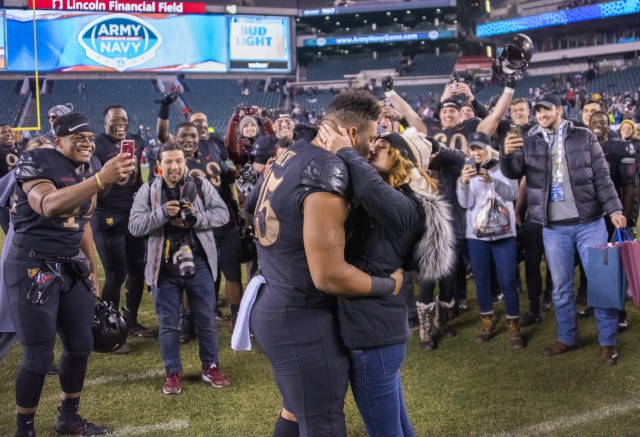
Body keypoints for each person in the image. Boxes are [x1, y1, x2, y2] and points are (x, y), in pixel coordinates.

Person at [249, 90, 403, 436]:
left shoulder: (295, 151)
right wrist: (387, 284)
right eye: (370, 138)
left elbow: (250, 209)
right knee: (324, 424)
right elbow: (329, 276)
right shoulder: (326, 169)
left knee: (295, 411)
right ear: (350, 135)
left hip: (274, 297)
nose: (371, 146)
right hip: (300, 317)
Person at [5, 112, 134, 436]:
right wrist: (101, 180)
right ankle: (25, 428)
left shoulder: (87, 169)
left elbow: (82, 222)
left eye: (90, 139)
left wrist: (91, 268)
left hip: (69, 264)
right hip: (32, 265)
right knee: (38, 354)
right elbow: (48, 204)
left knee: (80, 345)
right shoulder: (36, 159)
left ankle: (68, 417)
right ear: (58, 140)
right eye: (78, 138)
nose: (87, 143)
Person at [319, 127, 453, 436]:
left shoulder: (407, 206)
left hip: (373, 336)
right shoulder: (392, 201)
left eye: (386, 144)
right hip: (379, 333)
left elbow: (367, 187)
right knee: (398, 428)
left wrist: (346, 150)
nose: (376, 143)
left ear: (402, 159)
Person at [501, 93, 627, 365]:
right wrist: (506, 152)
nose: (542, 115)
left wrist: (615, 209)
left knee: (601, 283)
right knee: (560, 287)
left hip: (590, 223)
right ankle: (567, 337)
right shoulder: (530, 140)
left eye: (547, 109)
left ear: (559, 109)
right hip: (554, 228)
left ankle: (607, 341)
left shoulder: (584, 136)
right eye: (538, 111)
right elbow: (513, 172)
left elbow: (603, 177)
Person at [128, 142, 231, 394]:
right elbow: (134, 226)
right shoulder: (147, 191)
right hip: (163, 267)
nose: (174, 167)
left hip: (199, 262)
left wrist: (197, 219)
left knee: (206, 318)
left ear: (184, 162)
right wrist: (162, 213)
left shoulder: (199, 185)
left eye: (179, 161)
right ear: (158, 167)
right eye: (169, 162)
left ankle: (211, 365)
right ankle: (172, 372)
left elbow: (222, 214)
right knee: (168, 322)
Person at [91, 105, 152, 350]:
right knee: (116, 273)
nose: (120, 124)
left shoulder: (134, 140)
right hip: (106, 214)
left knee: (137, 270)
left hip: (132, 214)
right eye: (115, 120)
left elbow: (137, 178)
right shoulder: (97, 143)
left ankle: (130, 320)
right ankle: (109, 330)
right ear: (104, 122)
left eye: (124, 119)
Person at [457, 131, 523, 348]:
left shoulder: (503, 166)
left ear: (488, 148)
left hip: (504, 234)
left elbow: (513, 195)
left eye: (479, 148)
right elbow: (465, 204)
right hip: (476, 237)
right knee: (482, 281)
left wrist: (492, 180)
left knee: (507, 282)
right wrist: (464, 183)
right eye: (472, 149)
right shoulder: (465, 171)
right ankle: (488, 321)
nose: (476, 152)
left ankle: (514, 326)